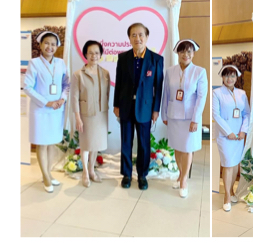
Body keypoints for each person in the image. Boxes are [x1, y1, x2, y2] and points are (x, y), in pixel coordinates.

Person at [113, 23, 163, 190]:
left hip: (145, 109)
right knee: (126, 142)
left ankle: (142, 175)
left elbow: (158, 87)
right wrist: (116, 104)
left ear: (147, 37)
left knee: (143, 143)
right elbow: (119, 83)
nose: (137, 38)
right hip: (126, 106)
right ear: (129, 38)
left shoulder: (156, 59)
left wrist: (156, 109)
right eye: (133, 35)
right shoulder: (123, 58)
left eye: (141, 34)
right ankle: (126, 174)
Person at [23, 31, 70, 193]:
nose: (50, 47)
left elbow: (67, 84)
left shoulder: (61, 63)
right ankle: (46, 176)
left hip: (56, 109)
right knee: (42, 144)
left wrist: (62, 99)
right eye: (47, 43)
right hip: (41, 110)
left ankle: (48, 173)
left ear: (57, 46)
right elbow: (27, 87)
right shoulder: (34, 63)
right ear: (40, 45)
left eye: (53, 44)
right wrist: (46, 102)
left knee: (51, 143)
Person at [161, 39, 208, 198]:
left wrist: (196, 119)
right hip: (174, 116)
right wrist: (164, 113)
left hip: (190, 118)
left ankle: (184, 181)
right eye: (182, 51)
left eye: (189, 51)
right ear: (177, 53)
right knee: (177, 147)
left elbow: (201, 98)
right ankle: (181, 174)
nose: (185, 54)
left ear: (193, 54)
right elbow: (166, 94)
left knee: (187, 148)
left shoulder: (199, 72)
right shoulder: (170, 71)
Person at [71, 40, 110, 187]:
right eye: (91, 53)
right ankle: (85, 173)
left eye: (97, 53)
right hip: (85, 114)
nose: (94, 55)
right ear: (85, 54)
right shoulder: (78, 75)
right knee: (86, 144)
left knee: (95, 144)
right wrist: (77, 118)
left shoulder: (105, 73)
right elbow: (74, 97)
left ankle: (92, 170)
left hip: (100, 114)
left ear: (100, 54)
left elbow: (107, 94)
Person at [212, 65, 250, 212]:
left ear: (236, 77)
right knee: (228, 164)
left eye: (233, 76)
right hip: (225, 136)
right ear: (222, 77)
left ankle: (232, 190)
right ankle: (227, 196)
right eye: (227, 75)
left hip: (239, 136)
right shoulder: (217, 93)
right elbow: (216, 115)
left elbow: (246, 114)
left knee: (235, 165)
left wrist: (243, 131)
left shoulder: (242, 93)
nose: (230, 79)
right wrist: (228, 132)